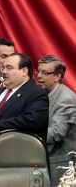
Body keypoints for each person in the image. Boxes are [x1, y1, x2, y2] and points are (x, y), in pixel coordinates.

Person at [0, 53, 49, 141]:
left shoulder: (37, 93)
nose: (4, 72)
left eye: (9, 68)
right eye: (3, 67)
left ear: (24, 71)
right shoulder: (1, 90)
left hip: (15, 150)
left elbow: (31, 120)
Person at [37, 55, 76, 186]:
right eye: (38, 71)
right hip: (47, 161)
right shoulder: (43, 95)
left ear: (58, 76)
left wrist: (30, 134)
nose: (39, 76)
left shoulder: (66, 98)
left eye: (45, 73)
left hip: (61, 165)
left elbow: (57, 133)